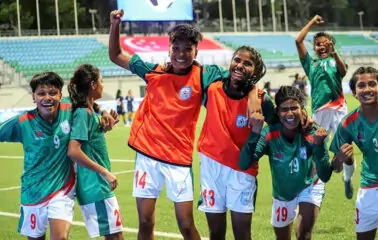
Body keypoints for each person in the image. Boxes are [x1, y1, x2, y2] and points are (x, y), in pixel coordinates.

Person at [108, 9, 235, 239]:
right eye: (176, 48)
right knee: (145, 222)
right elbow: (116, 55)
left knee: (186, 225)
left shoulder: (204, 75)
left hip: (178, 160)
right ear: (169, 49)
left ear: (196, 51)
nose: (181, 53)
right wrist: (115, 24)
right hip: (147, 157)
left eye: (188, 49)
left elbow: (234, 82)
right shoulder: (154, 72)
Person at [197, 45, 276, 239]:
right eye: (237, 60)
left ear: (255, 71)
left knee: (242, 233)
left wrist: (257, 141)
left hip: (242, 172)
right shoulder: (212, 86)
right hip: (211, 166)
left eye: (247, 63)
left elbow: (277, 124)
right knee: (215, 233)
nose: (240, 65)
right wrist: (253, 90)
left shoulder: (262, 101)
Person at [239, 86, 334, 240]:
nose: (290, 113)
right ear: (277, 112)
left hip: (310, 185)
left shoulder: (314, 132)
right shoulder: (269, 133)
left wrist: (318, 146)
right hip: (282, 193)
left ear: (302, 109)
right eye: (284, 109)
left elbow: (325, 175)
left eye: (294, 108)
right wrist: (255, 132)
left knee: (303, 235)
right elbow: (244, 163)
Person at [0, 72, 75, 240]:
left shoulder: (69, 109)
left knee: (60, 237)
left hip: (62, 189)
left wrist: (103, 116)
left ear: (60, 95)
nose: (47, 98)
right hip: (33, 191)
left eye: (52, 93)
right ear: (33, 97)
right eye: (41, 93)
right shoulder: (23, 122)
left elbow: (89, 107)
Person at [330, 66, 378, 239]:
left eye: (372, 84)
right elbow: (335, 167)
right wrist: (340, 158)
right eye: (361, 86)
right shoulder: (348, 123)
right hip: (370, 185)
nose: (367, 89)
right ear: (354, 92)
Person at [295, 15, 354, 199]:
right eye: (317, 44)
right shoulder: (310, 64)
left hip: (338, 111)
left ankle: (347, 178)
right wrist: (312, 21)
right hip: (319, 113)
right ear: (314, 47)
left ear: (331, 45)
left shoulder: (336, 61)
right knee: (313, 150)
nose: (321, 46)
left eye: (325, 43)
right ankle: (313, 186)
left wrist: (334, 52)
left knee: (346, 152)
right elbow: (298, 40)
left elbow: (343, 71)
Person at [67, 64, 124, 240]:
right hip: (95, 184)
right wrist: (104, 172)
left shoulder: (89, 109)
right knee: (116, 237)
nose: (103, 84)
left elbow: (89, 141)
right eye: (101, 80)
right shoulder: (83, 113)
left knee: (115, 236)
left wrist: (105, 125)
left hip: (97, 185)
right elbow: (73, 151)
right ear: (92, 85)